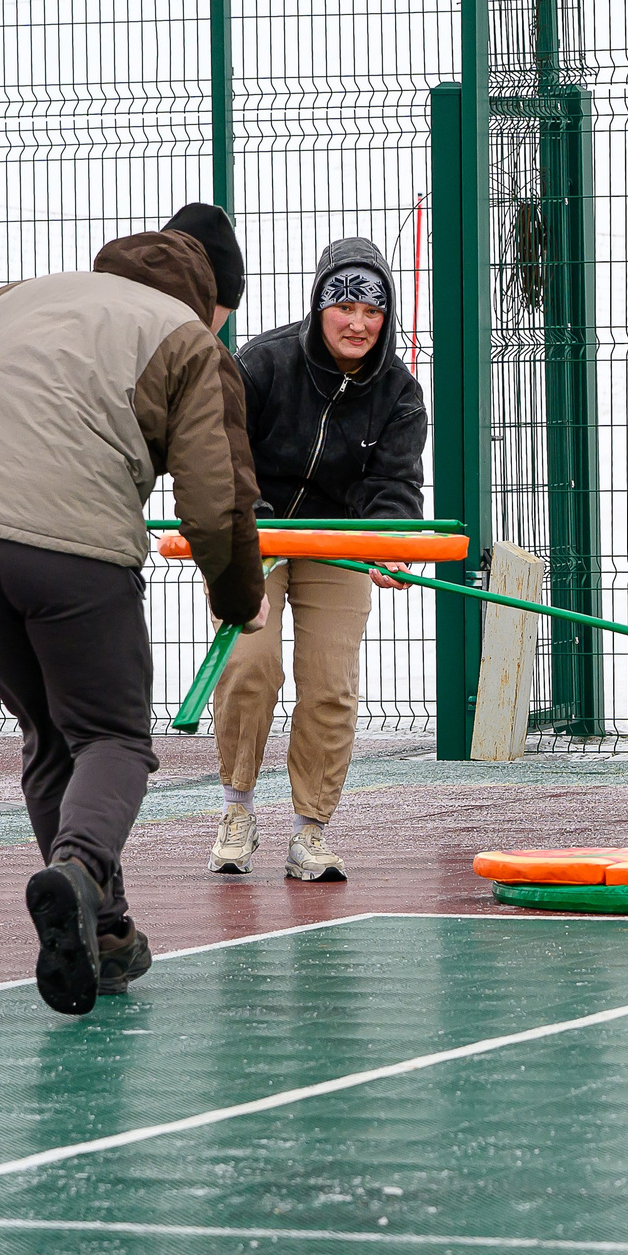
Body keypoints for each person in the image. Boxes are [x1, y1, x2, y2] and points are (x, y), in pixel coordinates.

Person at [0, 204, 263, 1016]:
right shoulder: (188, 339)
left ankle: (100, 934)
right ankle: (77, 869)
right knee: (111, 738)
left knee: (50, 733)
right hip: (71, 547)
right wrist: (239, 598)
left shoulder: (28, 293)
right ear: (214, 302)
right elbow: (217, 503)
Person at [208, 237, 428, 881]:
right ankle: (237, 808)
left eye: (372, 312)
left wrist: (388, 545)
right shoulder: (264, 364)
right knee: (251, 665)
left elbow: (395, 487)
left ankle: (311, 828)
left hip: (337, 540)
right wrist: (252, 525)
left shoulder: (399, 393)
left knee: (330, 683)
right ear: (319, 307)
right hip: (257, 535)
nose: (358, 324)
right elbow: (223, 455)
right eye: (344, 308)